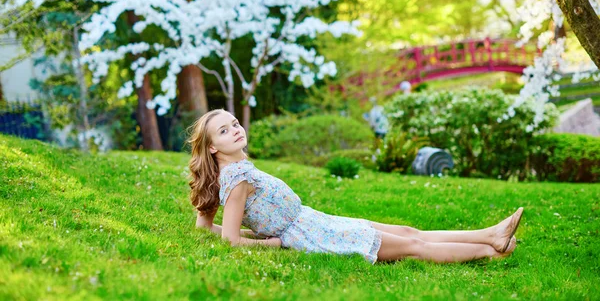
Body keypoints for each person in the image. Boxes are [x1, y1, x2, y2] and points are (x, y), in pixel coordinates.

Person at [187, 109, 523, 264]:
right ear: (213, 147)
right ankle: (490, 249)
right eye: (224, 130)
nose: (234, 129)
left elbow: (205, 227)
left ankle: (490, 234)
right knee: (414, 247)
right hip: (310, 235)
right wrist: (272, 243)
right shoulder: (237, 178)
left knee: (408, 231)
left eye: (234, 123)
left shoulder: (237, 170)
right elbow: (230, 240)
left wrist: (252, 234)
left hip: (313, 221)